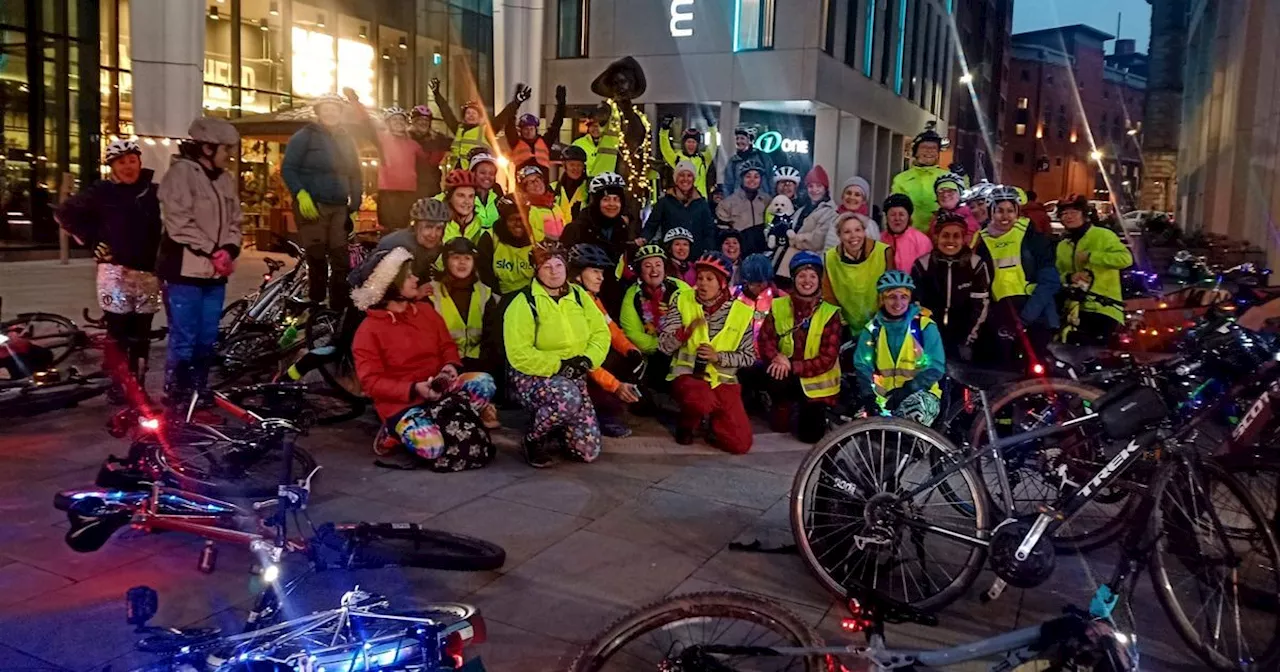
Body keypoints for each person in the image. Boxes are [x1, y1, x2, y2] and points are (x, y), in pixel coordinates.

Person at [350, 247, 496, 471]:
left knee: (484, 383)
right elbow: (371, 383)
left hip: (439, 391)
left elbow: (447, 345)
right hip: (404, 402)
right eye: (407, 276)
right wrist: (414, 389)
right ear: (390, 285)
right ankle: (396, 429)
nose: (415, 278)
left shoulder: (425, 311)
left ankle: (439, 423)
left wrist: (449, 367)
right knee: (431, 448)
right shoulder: (367, 331)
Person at [56, 139, 162, 403]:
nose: (128, 167)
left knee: (142, 334)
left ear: (139, 162)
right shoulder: (102, 192)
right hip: (116, 273)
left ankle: (138, 385)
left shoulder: (153, 191)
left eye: (132, 161)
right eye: (122, 162)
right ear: (112, 166)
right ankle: (117, 384)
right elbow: (64, 212)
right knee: (118, 332)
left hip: (149, 275)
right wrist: (93, 241)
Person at [156, 117, 243, 401]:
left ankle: (198, 390)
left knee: (206, 338)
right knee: (185, 338)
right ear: (207, 148)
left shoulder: (225, 179)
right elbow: (178, 223)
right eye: (225, 149)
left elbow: (235, 220)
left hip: (215, 274)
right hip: (184, 272)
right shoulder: (180, 175)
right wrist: (212, 250)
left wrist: (229, 249)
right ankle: (178, 394)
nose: (229, 155)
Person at [503, 242, 611, 467]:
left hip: (574, 375)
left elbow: (601, 333)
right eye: (546, 267)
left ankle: (558, 426)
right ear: (536, 270)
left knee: (587, 451)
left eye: (558, 265)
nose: (554, 271)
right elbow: (518, 353)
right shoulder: (524, 302)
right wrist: (559, 365)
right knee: (567, 398)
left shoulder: (580, 296)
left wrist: (587, 360)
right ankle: (534, 438)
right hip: (534, 376)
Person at [658, 251, 757, 453]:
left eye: (709, 279)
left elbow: (748, 357)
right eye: (700, 278)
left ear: (722, 283)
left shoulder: (742, 312)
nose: (702, 283)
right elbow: (663, 346)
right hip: (688, 375)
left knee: (740, 445)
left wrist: (718, 357)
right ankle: (687, 424)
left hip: (723, 381)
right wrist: (683, 334)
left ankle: (713, 425)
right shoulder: (683, 300)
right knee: (701, 399)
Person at [281, 93, 362, 309]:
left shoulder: (346, 138)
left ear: (340, 112)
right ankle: (315, 302)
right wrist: (300, 192)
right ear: (318, 112)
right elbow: (288, 168)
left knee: (340, 259)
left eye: (334, 108)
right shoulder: (304, 136)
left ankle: (337, 306)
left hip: (338, 206)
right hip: (313, 205)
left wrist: (355, 205)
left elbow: (355, 173)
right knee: (316, 257)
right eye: (326, 108)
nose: (330, 112)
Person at [972, 185, 1060, 368]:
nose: (1005, 216)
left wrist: (1026, 317)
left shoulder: (1032, 238)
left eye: (1010, 211)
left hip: (1034, 312)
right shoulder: (981, 241)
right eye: (999, 211)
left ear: (1017, 212)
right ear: (990, 212)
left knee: (1036, 369)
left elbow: (1050, 281)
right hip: (1000, 315)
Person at [758, 252, 842, 443]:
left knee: (810, 437)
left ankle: (809, 409)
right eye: (802, 275)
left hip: (816, 385)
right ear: (794, 278)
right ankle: (780, 403)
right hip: (785, 374)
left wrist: (791, 365)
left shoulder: (830, 313)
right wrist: (776, 357)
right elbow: (765, 340)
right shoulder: (779, 305)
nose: (807, 281)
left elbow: (827, 359)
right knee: (779, 425)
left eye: (812, 276)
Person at [569, 244, 645, 438]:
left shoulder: (591, 298)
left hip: (593, 363)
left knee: (626, 360)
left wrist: (632, 351)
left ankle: (609, 406)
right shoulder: (572, 303)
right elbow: (583, 358)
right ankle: (601, 414)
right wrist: (615, 386)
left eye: (601, 272)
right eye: (595, 271)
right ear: (578, 274)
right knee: (601, 380)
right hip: (575, 367)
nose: (600, 277)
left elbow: (611, 328)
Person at [853, 271, 945, 425]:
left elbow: (936, 367)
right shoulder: (873, 329)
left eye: (904, 297)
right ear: (882, 299)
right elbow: (862, 366)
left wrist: (907, 391)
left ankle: (916, 449)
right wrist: (868, 396)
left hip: (922, 394)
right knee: (859, 425)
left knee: (912, 415)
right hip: (884, 398)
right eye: (891, 297)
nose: (898, 303)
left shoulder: (924, 326)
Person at [910, 212, 991, 359]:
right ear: (937, 237)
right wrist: (923, 334)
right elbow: (915, 303)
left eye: (956, 236)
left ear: (963, 238)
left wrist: (969, 337)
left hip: (964, 336)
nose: (951, 241)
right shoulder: (922, 264)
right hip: (929, 335)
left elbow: (981, 304)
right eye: (945, 235)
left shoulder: (975, 264)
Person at [1055, 195, 1132, 345]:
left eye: (1074, 212)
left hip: (1103, 307)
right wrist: (1070, 277)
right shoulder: (1063, 245)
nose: (1069, 217)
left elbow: (1125, 259)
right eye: (1064, 214)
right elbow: (1058, 273)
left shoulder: (1103, 235)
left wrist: (1092, 256)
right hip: (1074, 310)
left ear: (1084, 215)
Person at [619, 244, 689, 400]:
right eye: (647, 266)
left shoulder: (681, 289)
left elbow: (692, 319)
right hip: (653, 353)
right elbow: (632, 333)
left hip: (682, 348)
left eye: (658, 265)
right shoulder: (632, 294)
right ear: (640, 270)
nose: (654, 271)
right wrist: (660, 346)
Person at [349, 98, 428, 232]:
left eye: (401, 120)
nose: (398, 122)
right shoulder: (381, 138)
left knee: (406, 229)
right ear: (387, 123)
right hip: (388, 192)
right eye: (394, 120)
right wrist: (355, 101)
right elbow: (366, 123)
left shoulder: (413, 144)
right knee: (387, 228)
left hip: (409, 192)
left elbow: (427, 166)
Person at [823, 211, 894, 332]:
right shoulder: (830, 258)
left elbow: (890, 289)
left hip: (880, 323)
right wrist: (840, 323)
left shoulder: (883, 252)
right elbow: (829, 296)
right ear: (839, 236)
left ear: (864, 231)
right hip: (845, 326)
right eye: (847, 232)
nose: (853, 236)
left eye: (858, 230)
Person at [432, 77, 522, 171]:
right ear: (464, 117)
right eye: (468, 113)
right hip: (457, 173)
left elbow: (502, 117)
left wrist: (516, 102)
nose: (471, 115)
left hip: (476, 174)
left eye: (474, 113)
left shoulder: (485, 131)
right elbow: (447, 114)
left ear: (480, 118)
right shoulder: (459, 129)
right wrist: (437, 96)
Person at [560, 172, 638, 270]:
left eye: (616, 199)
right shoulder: (577, 228)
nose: (612, 204)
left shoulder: (621, 227)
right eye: (606, 199)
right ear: (596, 202)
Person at [641, 159, 717, 256]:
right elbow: (651, 225)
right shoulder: (664, 202)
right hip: (671, 255)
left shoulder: (701, 203)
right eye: (681, 175)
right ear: (675, 179)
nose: (685, 179)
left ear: (693, 179)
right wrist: (644, 238)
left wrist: (709, 251)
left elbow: (709, 231)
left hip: (696, 256)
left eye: (689, 176)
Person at [778, 165, 837, 278]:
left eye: (818, 186)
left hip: (808, 266)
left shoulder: (830, 212)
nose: (814, 190)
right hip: (789, 263)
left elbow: (817, 240)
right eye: (810, 186)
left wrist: (794, 240)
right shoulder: (802, 209)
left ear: (825, 188)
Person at [891, 123, 950, 233]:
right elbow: (894, 210)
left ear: (938, 153)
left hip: (941, 237)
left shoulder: (947, 177)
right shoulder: (901, 179)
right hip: (910, 237)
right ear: (915, 152)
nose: (929, 151)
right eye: (924, 147)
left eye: (933, 148)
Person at [375, 197, 449, 280]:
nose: (433, 235)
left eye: (439, 228)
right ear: (415, 226)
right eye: (428, 227)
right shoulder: (397, 246)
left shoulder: (434, 247)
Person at [477, 196, 535, 296]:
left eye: (522, 219)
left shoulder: (536, 238)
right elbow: (485, 275)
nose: (518, 224)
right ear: (503, 221)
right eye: (512, 219)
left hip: (531, 294)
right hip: (498, 295)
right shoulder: (489, 239)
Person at [503, 85, 566, 171]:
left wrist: (561, 104)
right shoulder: (515, 142)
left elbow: (557, 124)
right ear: (520, 130)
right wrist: (516, 102)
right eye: (525, 129)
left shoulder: (545, 141)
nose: (528, 132)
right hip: (523, 181)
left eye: (531, 129)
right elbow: (509, 122)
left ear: (536, 130)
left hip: (542, 182)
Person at [658, 113, 718, 197]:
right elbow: (665, 148)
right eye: (688, 142)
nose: (691, 145)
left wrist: (712, 127)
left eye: (694, 142)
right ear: (684, 143)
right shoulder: (677, 158)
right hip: (682, 201)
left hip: (700, 201)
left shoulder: (704, 158)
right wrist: (664, 129)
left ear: (697, 144)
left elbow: (713, 145)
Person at [716, 163, 770, 255]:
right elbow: (723, 235)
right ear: (741, 178)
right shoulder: (727, 204)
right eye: (748, 176)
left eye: (756, 177)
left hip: (763, 254)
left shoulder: (768, 201)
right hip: (740, 255)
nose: (752, 180)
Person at [408, 104, 451, 199]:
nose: (423, 123)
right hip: (410, 190)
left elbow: (456, 144)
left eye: (426, 120)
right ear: (413, 122)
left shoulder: (438, 139)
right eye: (420, 120)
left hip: (432, 189)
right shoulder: (405, 138)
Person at [880, 193, 932, 270]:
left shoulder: (922, 241)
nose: (897, 218)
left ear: (909, 217)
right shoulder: (879, 239)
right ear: (886, 217)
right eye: (893, 214)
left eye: (901, 214)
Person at [514, 162, 565, 241]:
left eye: (538, 179)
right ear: (525, 189)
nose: (536, 184)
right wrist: (551, 239)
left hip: (560, 250)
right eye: (530, 182)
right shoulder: (527, 210)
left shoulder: (555, 206)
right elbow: (530, 233)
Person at [826, 176, 881, 248]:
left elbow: (876, 252)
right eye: (848, 193)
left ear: (863, 200)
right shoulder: (833, 219)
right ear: (842, 196)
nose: (852, 197)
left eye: (857, 194)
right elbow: (827, 250)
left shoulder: (871, 226)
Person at [723, 126, 775, 197]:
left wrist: (772, 198)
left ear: (750, 140)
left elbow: (771, 179)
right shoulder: (733, 162)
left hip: (762, 200)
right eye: (737, 138)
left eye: (742, 138)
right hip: (739, 202)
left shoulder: (762, 157)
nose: (738, 141)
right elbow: (728, 185)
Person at [440, 169, 489, 244]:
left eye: (471, 196)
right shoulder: (438, 222)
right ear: (450, 197)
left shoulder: (477, 223)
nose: (467, 201)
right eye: (461, 195)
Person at [466, 151, 504, 229]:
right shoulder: (464, 196)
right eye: (482, 173)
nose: (487, 176)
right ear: (473, 174)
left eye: (491, 173)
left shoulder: (497, 197)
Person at [554, 145, 591, 223]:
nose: (575, 168)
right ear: (564, 166)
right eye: (572, 165)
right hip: (558, 234)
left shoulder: (589, 189)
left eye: (579, 165)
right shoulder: (553, 188)